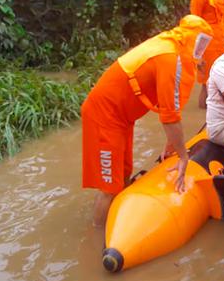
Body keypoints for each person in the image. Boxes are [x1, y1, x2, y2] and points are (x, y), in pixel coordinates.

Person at [81, 15, 214, 226]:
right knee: (109, 187)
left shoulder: (171, 47)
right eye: (201, 42)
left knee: (123, 173)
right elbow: (169, 117)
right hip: (105, 114)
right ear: (190, 37)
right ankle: (96, 236)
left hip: (122, 117)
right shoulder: (170, 57)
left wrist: (172, 145)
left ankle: (118, 220)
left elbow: (171, 106)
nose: (201, 50)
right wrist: (182, 156)